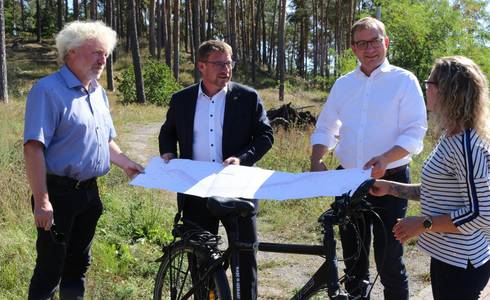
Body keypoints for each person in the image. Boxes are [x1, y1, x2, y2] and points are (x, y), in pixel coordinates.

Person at [24, 21, 144, 299]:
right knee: (50, 269)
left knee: (77, 267)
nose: (103, 60)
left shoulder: (97, 92)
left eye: (105, 54)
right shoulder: (48, 91)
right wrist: (42, 201)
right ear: (72, 53)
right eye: (96, 53)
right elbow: (33, 148)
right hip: (58, 195)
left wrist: (125, 162)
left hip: (90, 195)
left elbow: (104, 140)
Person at [310, 17, 427, 299]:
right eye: (362, 43)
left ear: (386, 42)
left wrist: (386, 158)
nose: (369, 48)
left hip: (391, 181)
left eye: (375, 41)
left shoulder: (404, 80)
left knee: (389, 261)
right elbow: (327, 126)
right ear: (353, 48)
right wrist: (317, 159)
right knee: (353, 262)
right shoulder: (343, 84)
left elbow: (415, 131)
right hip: (349, 181)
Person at [158, 40, 273, 299]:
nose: (226, 69)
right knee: (200, 259)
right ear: (201, 65)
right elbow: (168, 132)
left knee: (244, 257)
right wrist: (167, 152)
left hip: (238, 189)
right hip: (196, 189)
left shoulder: (247, 97)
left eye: (229, 63)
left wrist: (242, 158)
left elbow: (266, 136)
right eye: (219, 63)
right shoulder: (182, 100)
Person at [371, 56, 490, 300]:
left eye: (430, 83)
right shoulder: (451, 136)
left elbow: (481, 213)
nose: (426, 88)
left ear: (448, 91)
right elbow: (439, 190)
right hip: (447, 256)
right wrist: (391, 188)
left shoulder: (466, 145)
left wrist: (424, 223)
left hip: (462, 262)